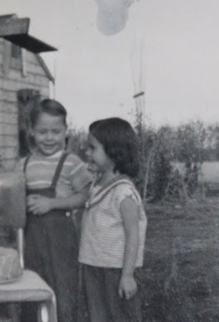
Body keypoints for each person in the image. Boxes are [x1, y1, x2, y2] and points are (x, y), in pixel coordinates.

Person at [20, 99, 92, 322]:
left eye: (55, 132)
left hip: (62, 239)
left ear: (65, 131)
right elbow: (12, 198)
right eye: (42, 132)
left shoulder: (72, 163)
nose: (49, 138)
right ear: (32, 131)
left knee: (63, 286)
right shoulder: (23, 164)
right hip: (31, 238)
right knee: (31, 284)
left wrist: (51, 204)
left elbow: (85, 197)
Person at [79, 118, 147, 322]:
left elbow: (133, 236)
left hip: (116, 269)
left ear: (114, 151)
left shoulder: (124, 192)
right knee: (97, 315)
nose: (87, 153)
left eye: (93, 148)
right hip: (93, 264)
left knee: (120, 315)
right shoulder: (97, 184)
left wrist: (127, 275)